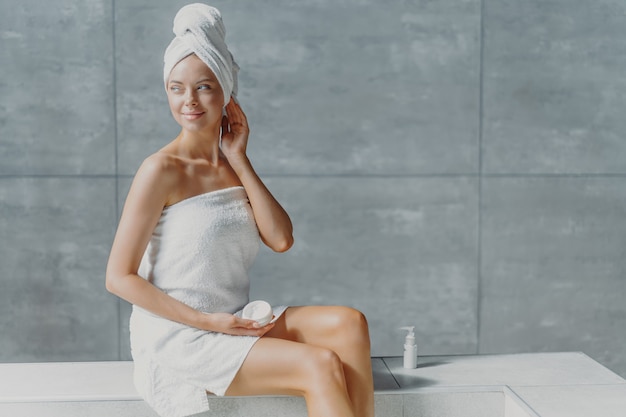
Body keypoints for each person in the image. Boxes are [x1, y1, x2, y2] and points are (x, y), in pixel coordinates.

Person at [105, 4, 374, 417]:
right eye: (176, 88)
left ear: (226, 92)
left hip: (235, 319)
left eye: (204, 87)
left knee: (349, 324)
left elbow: (281, 239)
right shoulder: (160, 169)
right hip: (182, 333)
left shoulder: (232, 166)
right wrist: (207, 322)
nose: (188, 101)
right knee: (318, 364)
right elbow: (118, 278)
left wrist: (240, 158)